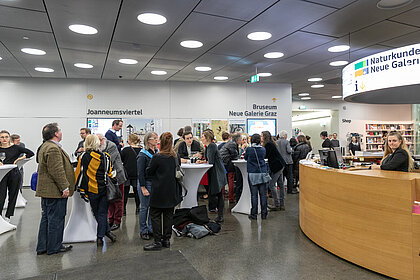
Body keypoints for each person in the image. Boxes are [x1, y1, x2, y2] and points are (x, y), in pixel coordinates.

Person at [35, 123, 74, 255]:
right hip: (55, 191)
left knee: (46, 218)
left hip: (48, 191)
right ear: (56, 134)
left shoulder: (45, 146)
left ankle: (43, 246)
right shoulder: (53, 148)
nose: (61, 132)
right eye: (60, 130)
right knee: (56, 219)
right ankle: (54, 247)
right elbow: (56, 170)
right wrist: (64, 187)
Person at [74, 134, 117, 246]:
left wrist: (75, 186)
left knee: (97, 212)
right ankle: (104, 234)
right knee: (102, 213)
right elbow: (110, 173)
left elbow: (79, 172)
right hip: (104, 188)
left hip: (91, 189)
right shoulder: (105, 156)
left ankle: (102, 235)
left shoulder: (83, 156)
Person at [144, 132, 181, 251]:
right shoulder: (175, 156)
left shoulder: (157, 157)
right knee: (168, 215)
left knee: (155, 215)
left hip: (159, 191)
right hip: (171, 190)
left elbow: (149, 172)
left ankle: (157, 241)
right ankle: (166, 240)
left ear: (161, 142)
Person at [0, 130, 34, 222]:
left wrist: (19, 158)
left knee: (13, 195)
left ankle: (8, 216)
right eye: (2, 137)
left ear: (9, 138)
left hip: (14, 174)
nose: (4, 139)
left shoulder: (16, 148)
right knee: (1, 195)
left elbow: (31, 153)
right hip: (2, 174)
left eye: (6, 137)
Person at [97, 134, 127, 231]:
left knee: (118, 199)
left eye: (99, 140)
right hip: (108, 178)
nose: (98, 143)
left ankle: (117, 220)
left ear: (103, 140)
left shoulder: (112, 146)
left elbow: (108, 160)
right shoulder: (100, 147)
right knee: (109, 199)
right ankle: (110, 219)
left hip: (117, 177)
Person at [197, 130, 227, 223]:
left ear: (207, 138)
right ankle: (219, 214)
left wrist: (201, 161)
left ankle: (220, 215)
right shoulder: (209, 146)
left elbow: (210, 161)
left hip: (216, 173)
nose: (201, 138)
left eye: (202, 136)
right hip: (215, 172)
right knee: (218, 194)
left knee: (218, 194)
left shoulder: (211, 146)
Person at [137, 131, 158, 240]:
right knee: (144, 208)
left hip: (154, 183)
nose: (156, 139)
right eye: (154, 138)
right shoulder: (142, 155)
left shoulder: (156, 152)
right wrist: (143, 188)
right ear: (148, 140)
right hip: (145, 183)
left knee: (153, 208)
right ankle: (143, 230)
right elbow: (140, 173)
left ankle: (151, 229)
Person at [244, 134, 269, 220]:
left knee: (254, 195)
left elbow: (245, 158)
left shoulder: (249, 149)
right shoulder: (263, 149)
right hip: (262, 173)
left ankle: (253, 214)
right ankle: (264, 214)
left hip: (252, 174)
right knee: (263, 195)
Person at [261, 131, 286, 211]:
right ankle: (281, 204)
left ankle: (277, 204)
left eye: (261, 136)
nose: (261, 137)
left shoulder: (268, 144)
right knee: (280, 185)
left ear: (265, 137)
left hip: (276, 166)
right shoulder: (272, 143)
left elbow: (266, 156)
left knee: (271, 185)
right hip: (281, 164)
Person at [120, 133, 141, 215]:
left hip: (127, 174)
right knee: (137, 192)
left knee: (125, 193)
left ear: (130, 140)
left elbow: (121, 160)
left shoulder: (125, 150)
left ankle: (124, 209)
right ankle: (138, 208)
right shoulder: (141, 150)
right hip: (137, 174)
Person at [220, 133, 241, 203]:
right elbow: (235, 156)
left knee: (223, 180)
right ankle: (231, 198)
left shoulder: (230, 143)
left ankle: (222, 197)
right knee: (231, 180)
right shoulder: (233, 144)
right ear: (238, 139)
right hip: (227, 164)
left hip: (223, 163)